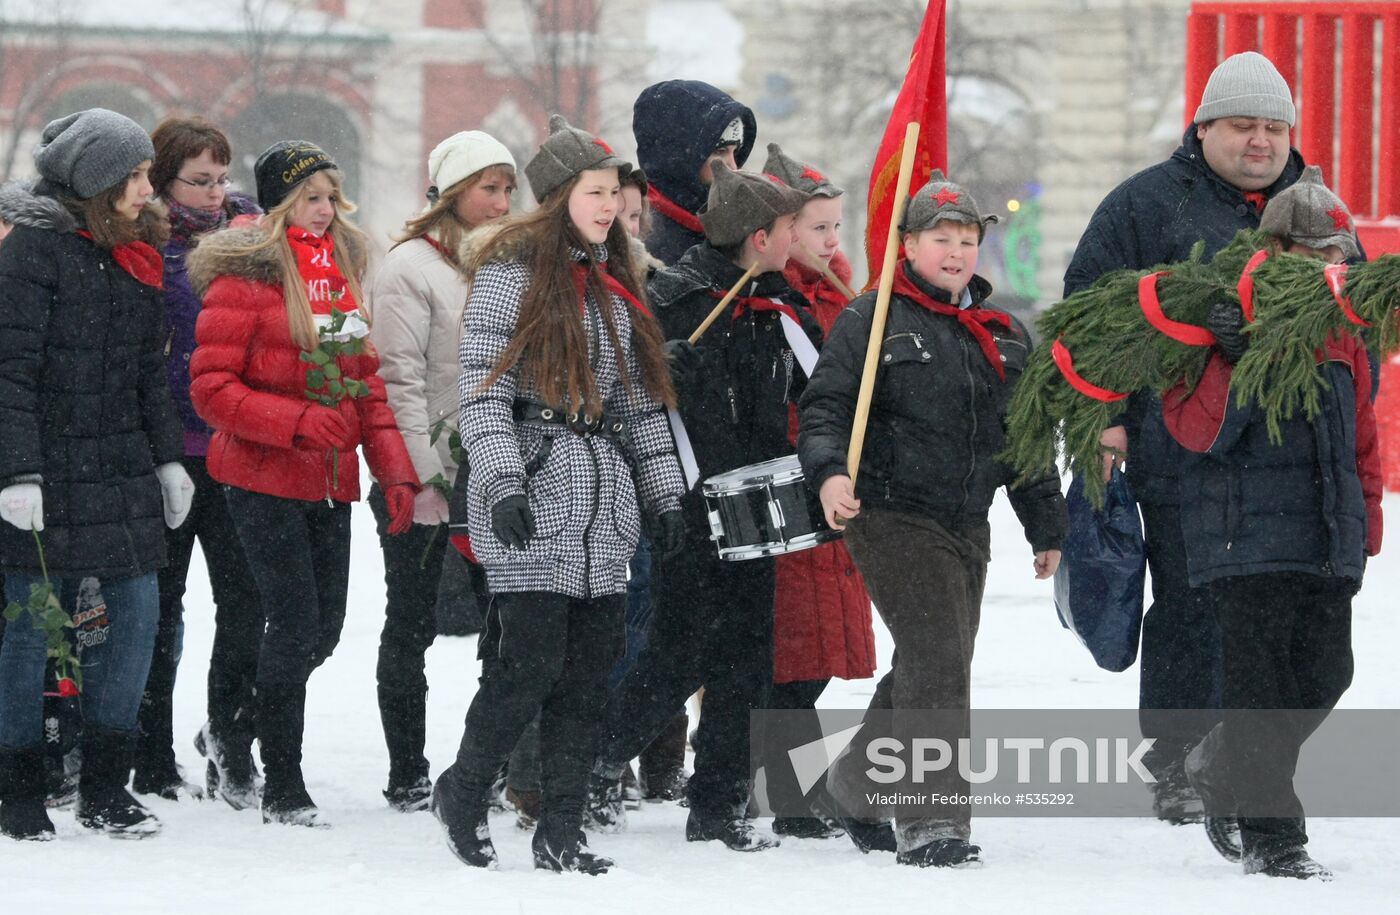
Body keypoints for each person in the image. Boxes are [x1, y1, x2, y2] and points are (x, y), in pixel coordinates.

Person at [430, 115, 685, 874]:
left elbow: (639, 404)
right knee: (529, 664)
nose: (610, 206)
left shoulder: (616, 286)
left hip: (604, 506)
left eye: (615, 193)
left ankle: (563, 828)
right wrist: (503, 480)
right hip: (536, 494)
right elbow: (482, 393)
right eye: (596, 191)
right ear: (561, 194)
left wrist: (665, 494)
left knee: (588, 674)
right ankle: (465, 789)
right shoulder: (511, 273)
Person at [1063, 52, 1308, 821]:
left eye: (1273, 126)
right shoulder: (1144, 206)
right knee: (1188, 610)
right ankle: (1175, 761)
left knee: (1272, 617)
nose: (1260, 140)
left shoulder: (1312, 210)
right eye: (1243, 125)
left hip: (1282, 460)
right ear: (1203, 128)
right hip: (1174, 451)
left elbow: (1349, 322)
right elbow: (1087, 318)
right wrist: (1102, 421)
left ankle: (1247, 760)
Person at [798, 172, 1066, 867]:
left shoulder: (1003, 333)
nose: (954, 251)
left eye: (966, 239)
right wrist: (830, 475)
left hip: (965, 522)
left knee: (931, 660)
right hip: (887, 510)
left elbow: (1025, 441)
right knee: (941, 658)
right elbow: (825, 406)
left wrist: (1048, 526)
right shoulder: (873, 317)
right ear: (908, 244)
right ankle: (931, 818)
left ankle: (852, 785)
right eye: (939, 238)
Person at [187, 140, 420, 827]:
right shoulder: (245, 280)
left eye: (330, 198)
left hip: (328, 480)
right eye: (310, 198)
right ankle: (283, 782)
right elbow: (211, 390)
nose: (323, 211)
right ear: (280, 203)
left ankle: (233, 726)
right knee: (290, 626)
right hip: (260, 478)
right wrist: (293, 421)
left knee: (323, 630)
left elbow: (365, 385)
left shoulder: (330, 277)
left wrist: (396, 470)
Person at [588, 161, 816, 852]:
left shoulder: (780, 305)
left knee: (748, 651)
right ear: (757, 235)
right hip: (687, 496)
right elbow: (622, 385)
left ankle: (718, 804)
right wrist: (664, 369)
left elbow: (821, 383)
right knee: (680, 645)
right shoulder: (675, 296)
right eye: (787, 229)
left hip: (759, 493)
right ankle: (597, 755)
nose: (795, 239)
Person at [1164, 170, 1380, 881]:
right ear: (1275, 247)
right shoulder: (1222, 318)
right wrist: (1233, 354)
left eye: (1335, 255)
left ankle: (1221, 761)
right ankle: (1274, 836)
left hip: (1323, 540)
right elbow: (1200, 433)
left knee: (1326, 672)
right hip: (1244, 542)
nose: (1326, 267)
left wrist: (1364, 523)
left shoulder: (1344, 330)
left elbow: (1361, 441)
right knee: (1261, 688)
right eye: (1312, 253)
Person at [0, 109, 192, 840]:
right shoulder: (34, 252)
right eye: (138, 174)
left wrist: (169, 457)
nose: (150, 188)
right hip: (44, 470)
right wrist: (17, 471)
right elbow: (9, 371)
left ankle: (108, 784)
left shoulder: (135, 251)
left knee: (136, 619)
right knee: (29, 629)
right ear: (98, 181)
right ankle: (18, 788)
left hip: (121, 468)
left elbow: (149, 371)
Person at [367, 129, 516, 813]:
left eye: (508, 188)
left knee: (506, 621)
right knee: (412, 620)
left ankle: (492, 760)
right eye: (489, 187)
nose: (502, 201)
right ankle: (407, 768)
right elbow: (398, 379)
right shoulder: (408, 267)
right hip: (423, 471)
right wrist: (423, 477)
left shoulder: (503, 263)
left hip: (494, 464)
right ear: (453, 192)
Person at [137, 115, 264, 806]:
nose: (216, 192)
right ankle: (149, 750)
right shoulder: (147, 246)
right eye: (199, 179)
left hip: (237, 447)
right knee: (160, 608)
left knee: (245, 603)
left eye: (222, 176)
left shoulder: (254, 237)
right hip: (168, 453)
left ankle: (228, 736)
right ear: (163, 181)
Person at [762, 144, 875, 840]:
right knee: (793, 654)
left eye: (838, 227)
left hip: (835, 486)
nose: (834, 240)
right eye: (820, 228)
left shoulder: (838, 293)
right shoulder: (780, 300)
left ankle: (796, 791)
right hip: (795, 483)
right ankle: (793, 795)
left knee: (816, 653)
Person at [633, 79, 757, 266]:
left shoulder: (738, 225)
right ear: (677, 154)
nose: (733, 165)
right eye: (720, 151)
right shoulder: (638, 231)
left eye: (736, 151)